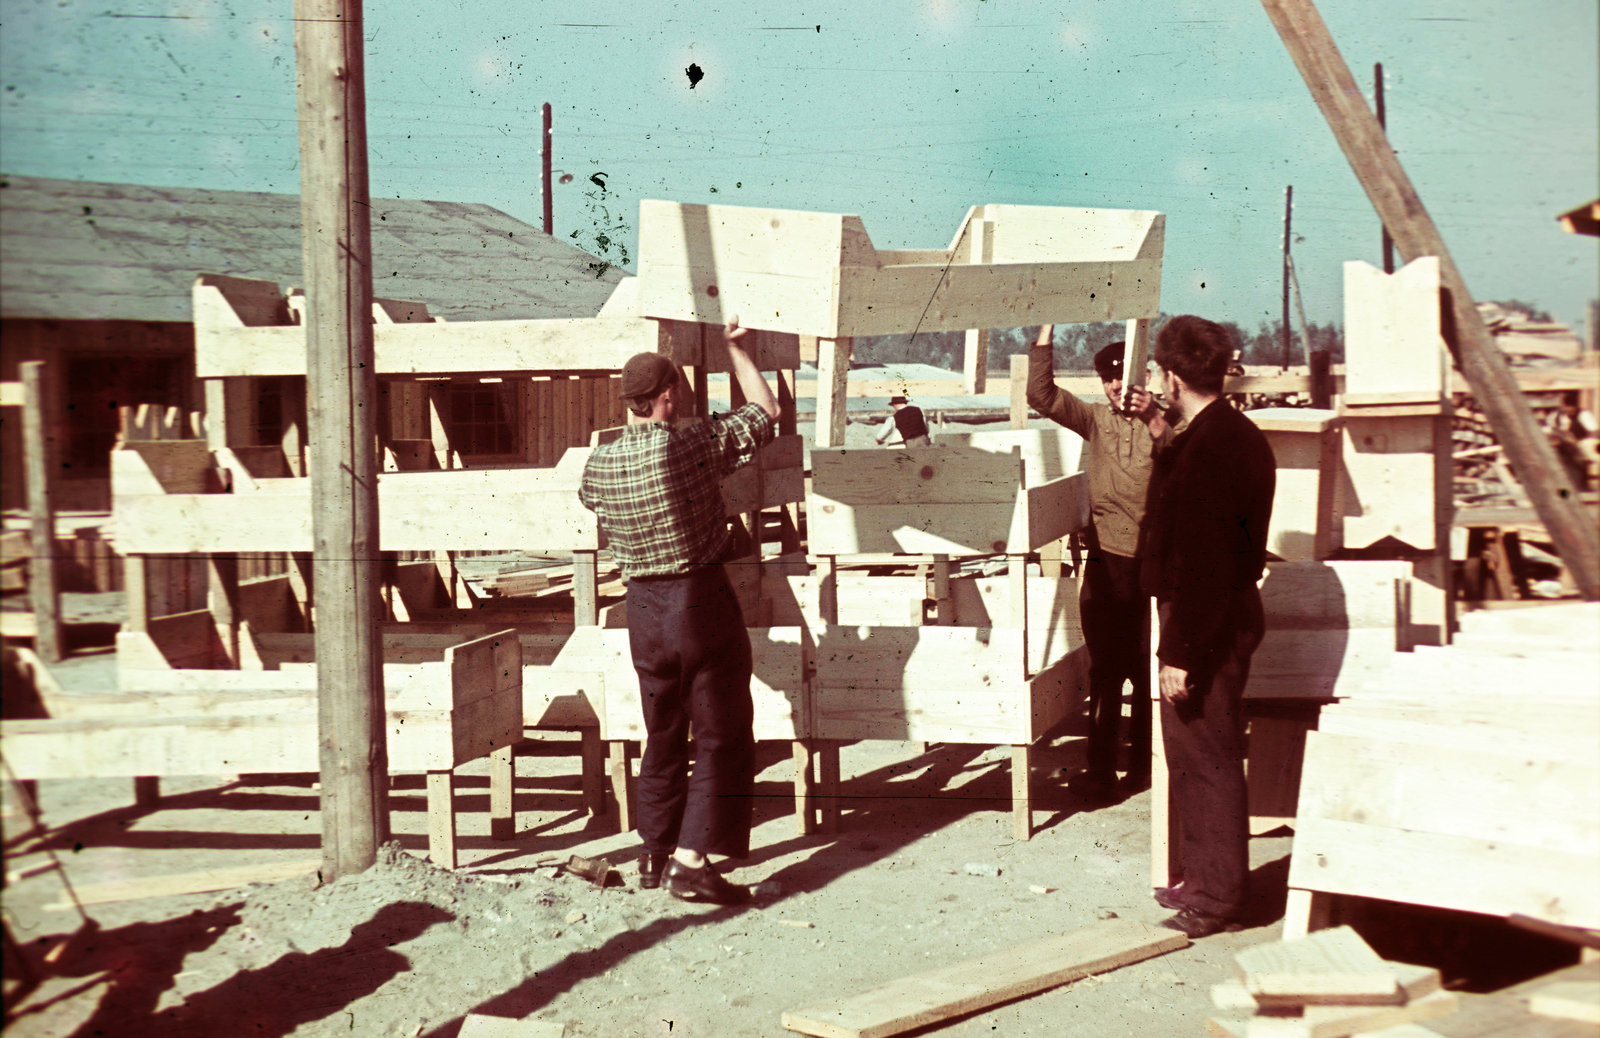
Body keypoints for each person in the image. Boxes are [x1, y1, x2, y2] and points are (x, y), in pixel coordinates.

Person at [578, 317, 780, 905]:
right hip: (699, 600)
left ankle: (654, 850)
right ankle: (692, 862)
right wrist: (737, 351)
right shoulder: (690, 443)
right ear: (667, 397)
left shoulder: (599, 466)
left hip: (641, 610)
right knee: (722, 733)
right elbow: (766, 412)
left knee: (662, 731)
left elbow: (589, 497)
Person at [1136, 315, 1276, 938]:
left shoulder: (1213, 447)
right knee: (1192, 755)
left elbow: (1203, 561)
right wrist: (1159, 431)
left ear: (1171, 375)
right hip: (1214, 612)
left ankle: (1219, 897)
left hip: (1204, 621)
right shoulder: (1222, 432)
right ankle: (1202, 878)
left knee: (1209, 755)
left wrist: (1179, 653)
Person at [1026, 327, 1172, 799]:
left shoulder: (1163, 422)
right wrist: (1045, 336)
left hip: (1149, 564)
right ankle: (1101, 773)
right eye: (1108, 379)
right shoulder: (1094, 420)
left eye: (1123, 378)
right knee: (1106, 670)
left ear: (1143, 377)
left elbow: (1179, 453)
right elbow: (1041, 395)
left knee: (1147, 668)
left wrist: (1154, 418)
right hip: (1105, 561)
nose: (1115, 387)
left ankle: (1145, 768)